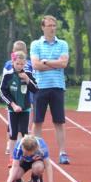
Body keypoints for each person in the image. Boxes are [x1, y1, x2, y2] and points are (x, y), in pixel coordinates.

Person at [30, 15, 70, 164]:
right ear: (43, 27)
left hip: (57, 86)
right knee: (37, 121)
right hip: (40, 87)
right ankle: (36, 151)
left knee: (59, 122)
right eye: (49, 26)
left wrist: (45, 62)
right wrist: (54, 64)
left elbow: (64, 63)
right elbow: (35, 65)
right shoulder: (36, 44)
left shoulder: (63, 44)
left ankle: (62, 153)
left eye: (54, 25)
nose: (52, 28)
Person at [0, 52, 39, 162]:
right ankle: (12, 158)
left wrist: (27, 79)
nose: (19, 66)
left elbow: (35, 89)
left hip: (25, 109)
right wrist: (13, 105)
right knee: (13, 134)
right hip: (12, 110)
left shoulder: (28, 74)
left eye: (22, 64)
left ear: (25, 63)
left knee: (25, 133)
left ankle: (25, 155)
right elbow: (2, 92)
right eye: (17, 64)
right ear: (13, 62)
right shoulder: (8, 75)